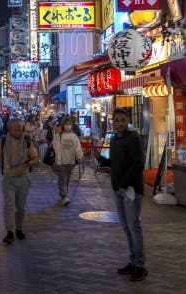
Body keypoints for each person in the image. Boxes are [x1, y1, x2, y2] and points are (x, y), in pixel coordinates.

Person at [93, 108, 147, 282]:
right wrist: (100, 158)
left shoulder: (134, 139)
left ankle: (140, 265)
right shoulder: (115, 140)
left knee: (134, 227)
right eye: (116, 120)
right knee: (126, 228)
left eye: (123, 120)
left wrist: (124, 185)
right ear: (112, 122)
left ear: (128, 121)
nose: (119, 123)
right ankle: (133, 262)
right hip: (118, 190)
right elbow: (114, 163)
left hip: (131, 190)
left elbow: (138, 163)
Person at [0, 118, 39, 245]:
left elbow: (36, 159)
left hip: (23, 178)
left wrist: (27, 163)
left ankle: (19, 228)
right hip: (8, 178)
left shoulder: (27, 140)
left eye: (20, 129)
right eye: (16, 129)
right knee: (9, 205)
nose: (18, 132)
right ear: (10, 129)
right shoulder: (4, 141)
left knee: (21, 207)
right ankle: (10, 231)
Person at [52, 116, 83, 206]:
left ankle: (64, 195)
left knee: (67, 179)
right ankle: (64, 196)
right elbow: (56, 148)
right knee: (62, 179)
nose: (68, 126)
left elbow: (78, 148)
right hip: (61, 161)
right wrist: (58, 160)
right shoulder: (59, 136)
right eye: (66, 124)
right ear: (63, 125)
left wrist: (79, 156)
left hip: (70, 161)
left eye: (70, 124)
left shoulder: (74, 137)